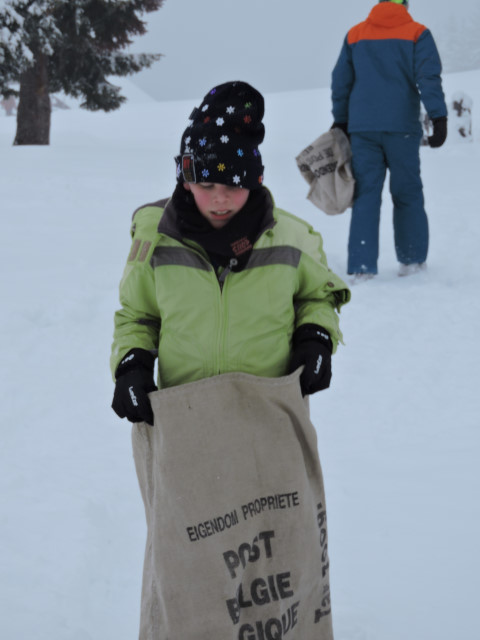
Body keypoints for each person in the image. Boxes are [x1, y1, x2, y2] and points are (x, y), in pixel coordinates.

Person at [110, 80, 351, 424]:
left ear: (255, 181)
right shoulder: (157, 241)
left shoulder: (291, 238)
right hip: (186, 414)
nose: (219, 198)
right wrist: (132, 362)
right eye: (206, 185)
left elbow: (317, 297)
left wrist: (316, 336)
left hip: (269, 412)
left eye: (233, 185)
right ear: (185, 181)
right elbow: (138, 316)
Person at [331, 0, 448, 281]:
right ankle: (412, 260)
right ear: (405, 4)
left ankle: (362, 267)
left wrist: (341, 120)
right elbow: (428, 77)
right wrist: (438, 116)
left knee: (365, 196)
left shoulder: (356, 35)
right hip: (402, 128)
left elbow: (341, 81)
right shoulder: (417, 33)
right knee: (407, 193)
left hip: (363, 130)